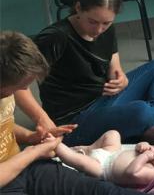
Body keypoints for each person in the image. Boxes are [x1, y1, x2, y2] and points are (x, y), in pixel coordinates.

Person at [15, 0, 154, 146]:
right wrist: (42, 119)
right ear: (78, 8)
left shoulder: (107, 28)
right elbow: (17, 85)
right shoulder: (55, 37)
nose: (99, 30)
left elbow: (113, 64)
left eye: (106, 23)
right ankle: (152, 129)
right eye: (92, 22)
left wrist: (121, 79)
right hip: (73, 121)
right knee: (143, 112)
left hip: (103, 100)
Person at [1, 30, 139, 195]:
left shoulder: (6, 92)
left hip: (24, 166)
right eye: (20, 86)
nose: (24, 90)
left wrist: (31, 137)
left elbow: (4, 124)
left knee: (102, 190)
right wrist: (33, 152)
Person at [53, 130, 154, 188]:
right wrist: (142, 145)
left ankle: (56, 146)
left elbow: (131, 172)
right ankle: (88, 149)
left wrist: (145, 156)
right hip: (111, 153)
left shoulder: (152, 173)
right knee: (113, 134)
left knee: (81, 162)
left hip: (102, 169)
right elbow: (136, 147)